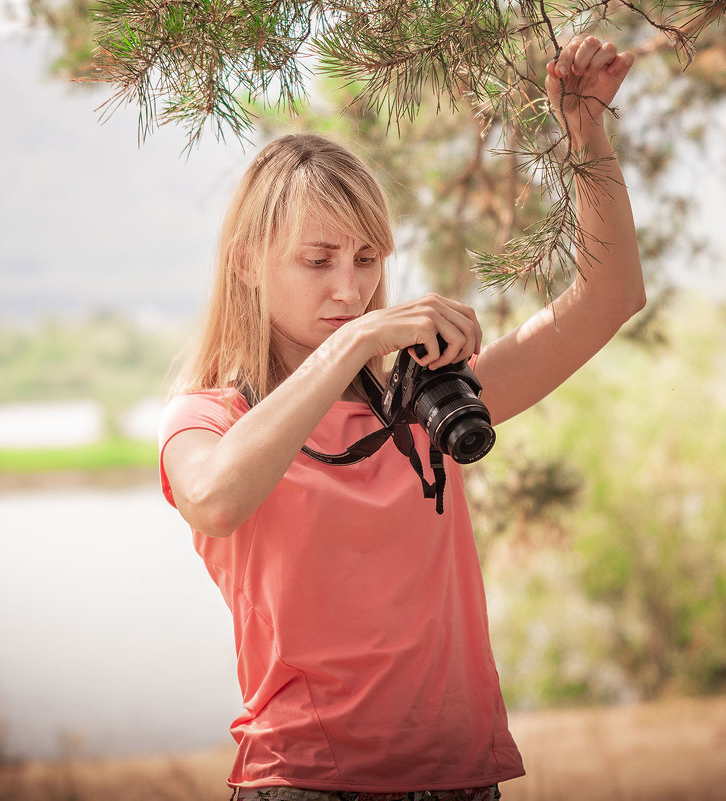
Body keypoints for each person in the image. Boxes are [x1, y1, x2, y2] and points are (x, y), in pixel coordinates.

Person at [158, 35, 644, 800]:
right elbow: (216, 498)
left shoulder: (428, 405)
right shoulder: (210, 415)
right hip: (309, 784)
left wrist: (586, 132)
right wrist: (358, 339)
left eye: (366, 258)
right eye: (316, 262)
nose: (349, 288)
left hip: (460, 776)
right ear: (248, 262)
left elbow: (609, 298)